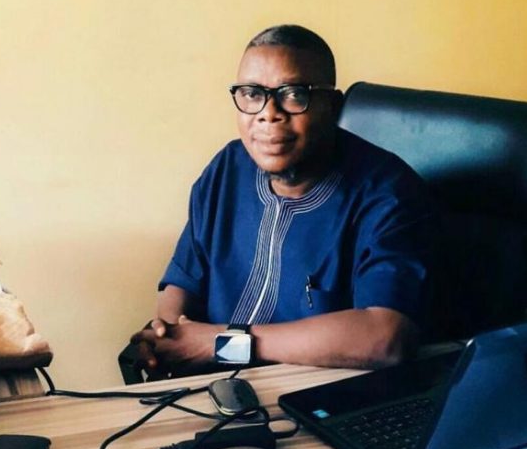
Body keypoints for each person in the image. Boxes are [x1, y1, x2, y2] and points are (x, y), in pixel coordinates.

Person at [130, 24, 434, 378]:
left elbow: (386, 337)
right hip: (211, 391)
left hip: (310, 396)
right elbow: (183, 282)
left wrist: (223, 344)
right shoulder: (227, 169)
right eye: (251, 93)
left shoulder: (388, 194)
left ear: (332, 106)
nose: (268, 113)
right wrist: (166, 340)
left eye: (292, 94)